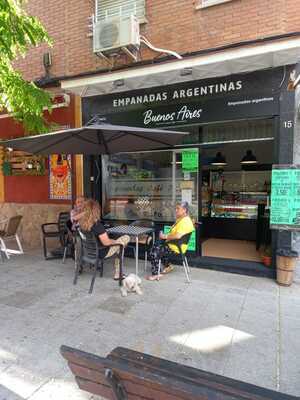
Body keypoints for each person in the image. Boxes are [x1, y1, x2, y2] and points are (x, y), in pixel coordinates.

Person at [79, 199, 130, 280]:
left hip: (88, 252)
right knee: (126, 238)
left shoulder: (82, 225)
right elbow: (106, 243)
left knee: (119, 247)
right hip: (101, 252)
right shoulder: (97, 226)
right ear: (96, 211)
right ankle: (118, 273)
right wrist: (115, 241)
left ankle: (118, 271)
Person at [147, 202, 194, 281]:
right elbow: (174, 233)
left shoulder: (185, 221)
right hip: (173, 243)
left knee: (154, 250)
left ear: (184, 210)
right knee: (156, 244)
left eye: (178, 208)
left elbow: (178, 236)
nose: (176, 210)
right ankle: (168, 266)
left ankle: (156, 274)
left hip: (176, 246)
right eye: (176, 208)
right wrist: (165, 236)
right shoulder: (181, 219)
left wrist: (165, 236)